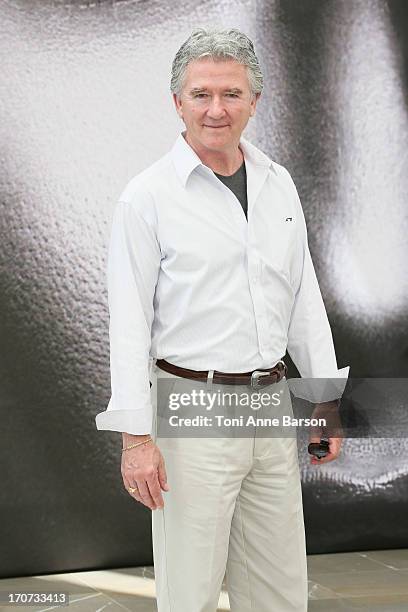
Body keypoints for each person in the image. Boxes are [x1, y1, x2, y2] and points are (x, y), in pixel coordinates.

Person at [95, 27, 349, 612]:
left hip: (270, 401)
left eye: (232, 94)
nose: (216, 109)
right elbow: (129, 325)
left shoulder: (277, 184)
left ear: (255, 101)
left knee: (280, 584)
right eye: (201, 94)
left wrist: (325, 398)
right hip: (191, 410)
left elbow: (303, 297)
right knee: (191, 588)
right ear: (177, 102)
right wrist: (137, 439)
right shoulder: (147, 198)